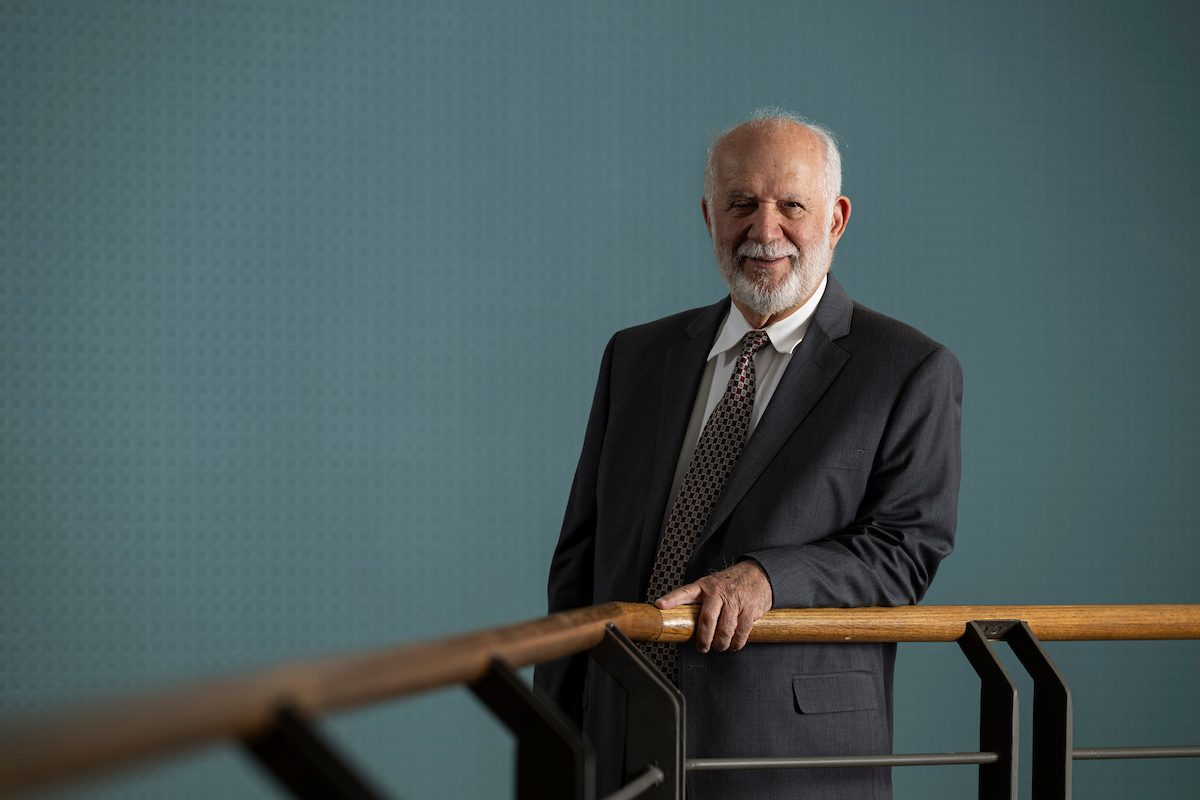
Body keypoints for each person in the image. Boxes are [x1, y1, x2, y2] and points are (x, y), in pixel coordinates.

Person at [533, 110, 962, 800]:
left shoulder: (907, 369)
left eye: (792, 205)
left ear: (836, 219)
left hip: (786, 757)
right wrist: (553, 741)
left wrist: (768, 579)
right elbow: (580, 563)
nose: (765, 231)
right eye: (742, 204)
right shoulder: (635, 357)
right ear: (710, 216)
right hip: (618, 746)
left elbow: (907, 549)